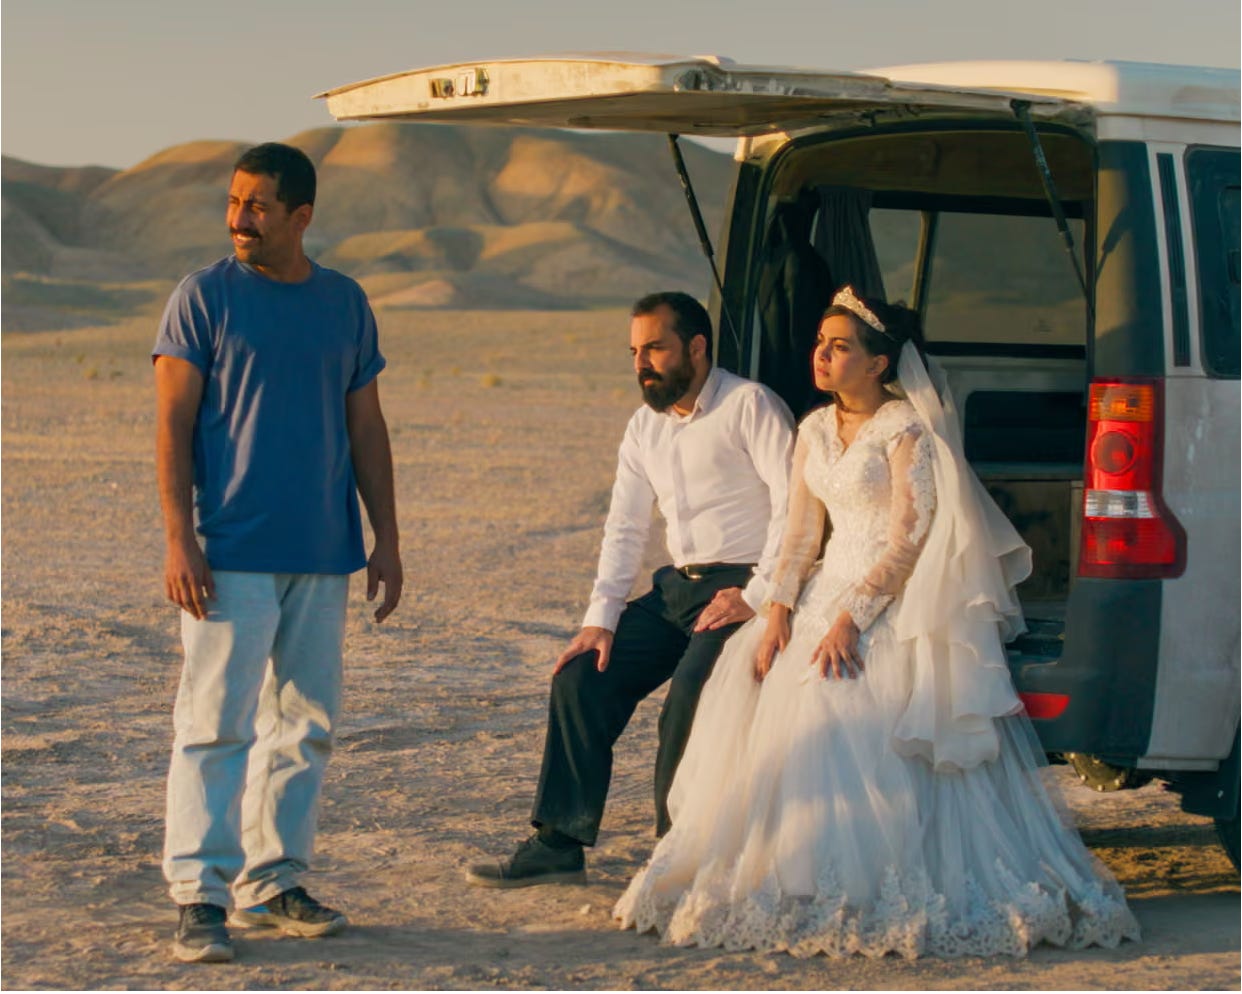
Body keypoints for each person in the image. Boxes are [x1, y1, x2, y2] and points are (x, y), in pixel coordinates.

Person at [614, 287, 1140, 958]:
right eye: (820, 345)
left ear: (878, 363)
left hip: (890, 598)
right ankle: (787, 868)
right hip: (822, 589)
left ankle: (869, 876)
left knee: (847, 698)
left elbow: (907, 540)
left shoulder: (905, 430)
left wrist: (852, 621)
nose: (823, 356)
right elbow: (800, 536)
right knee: (765, 686)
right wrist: (777, 612)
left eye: (840, 347)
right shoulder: (809, 429)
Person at [153, 142, 403, 963]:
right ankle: (200, 892)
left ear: (301, 216)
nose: (239, 218)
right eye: (234, 202)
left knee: (304, 725)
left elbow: (366, 426)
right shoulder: (203, 299)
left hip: (324, 553)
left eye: (257, 206)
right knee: (215, 724)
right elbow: (172, 424)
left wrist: (386, 538)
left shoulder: (344, 303)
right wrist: (179, 538)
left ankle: (273, 879)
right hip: (229, 549)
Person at [466, 291, 794, 888]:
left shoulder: (751, 406)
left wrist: (758, 591)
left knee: (686, 703)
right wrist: (601, 619)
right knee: (580, 676)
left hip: (743, 587)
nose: (642, 363)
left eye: (655, 349)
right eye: (634, 351)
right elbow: (625, 526)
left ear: (696, 347)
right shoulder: (644, 426)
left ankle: (678, 856)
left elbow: (793, 508)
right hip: (677, 591)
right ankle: (558, 843)